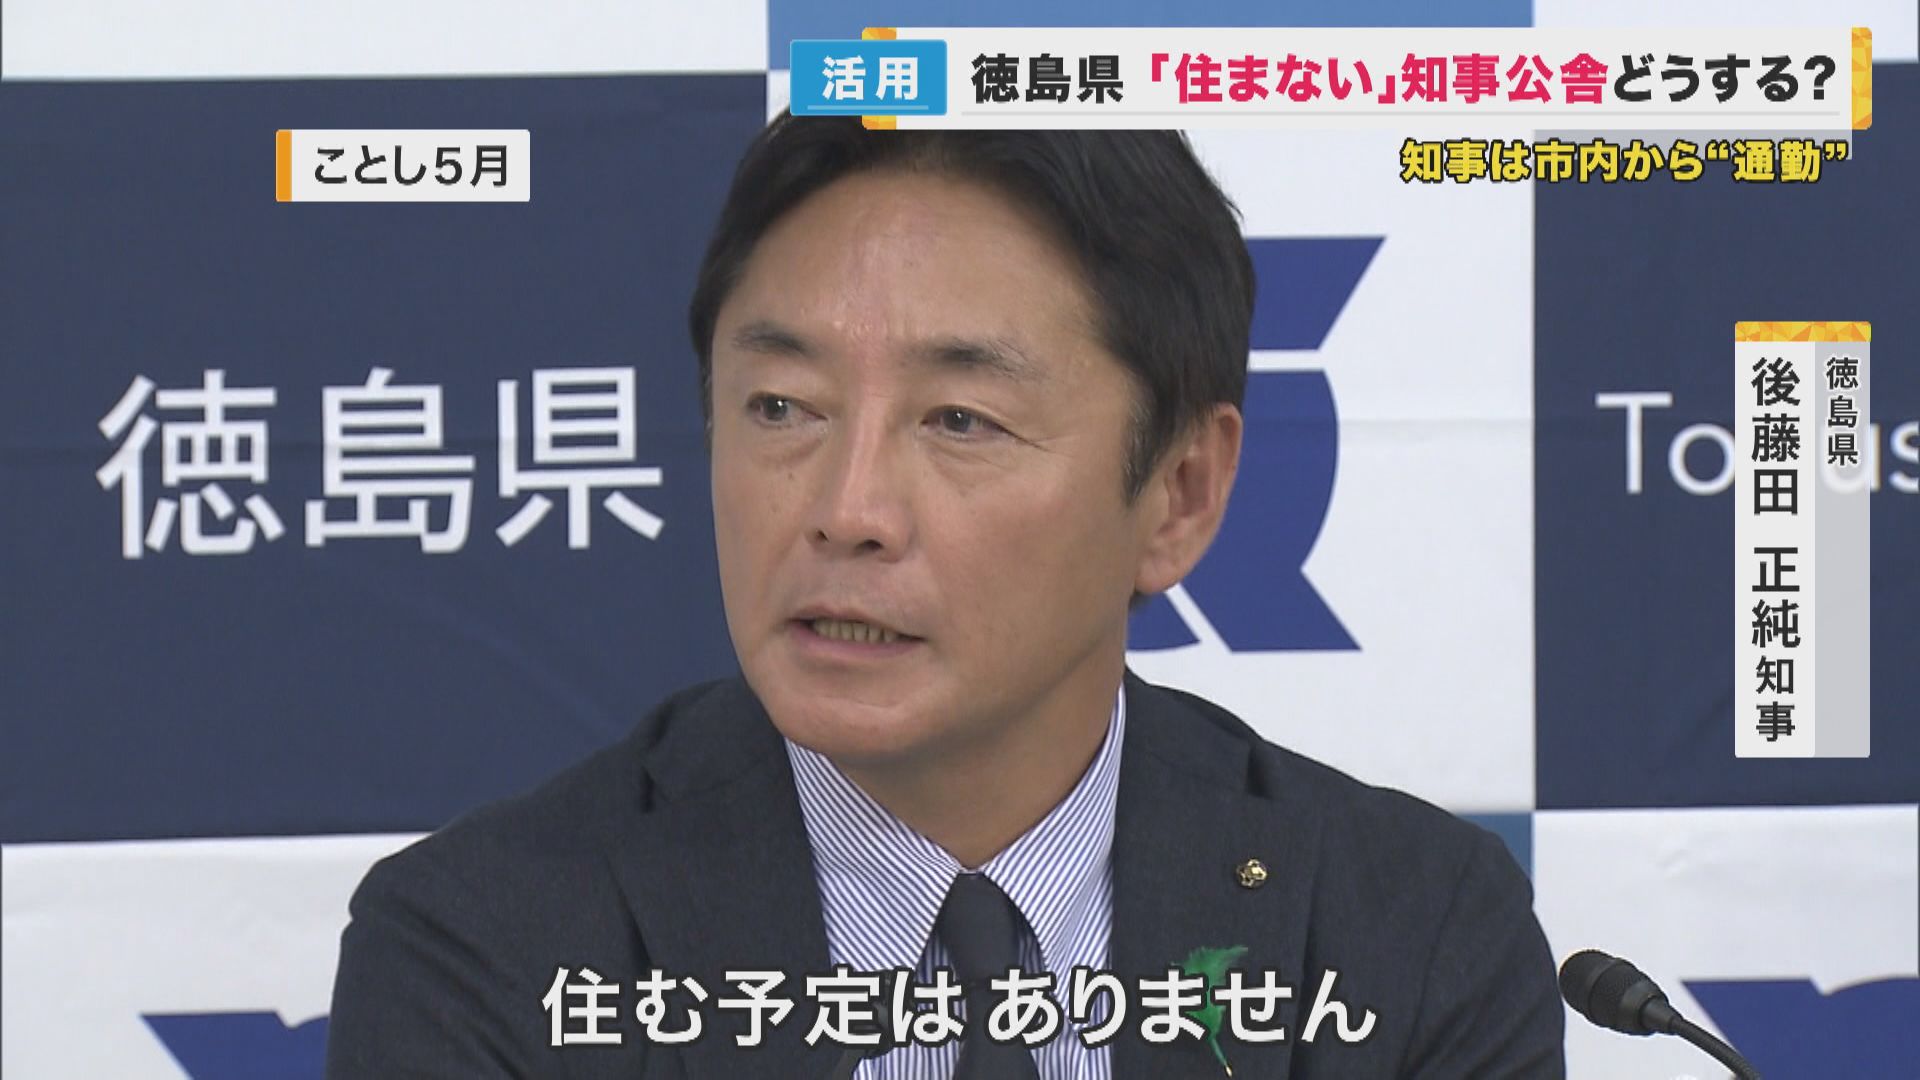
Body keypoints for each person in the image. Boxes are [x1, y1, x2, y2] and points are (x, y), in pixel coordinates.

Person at [324, 112, 1565, 1079]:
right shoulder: (486, 945)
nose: (846, 508)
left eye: (961, 419)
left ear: (1180, 493)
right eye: (781, 407)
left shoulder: (1410, 932)